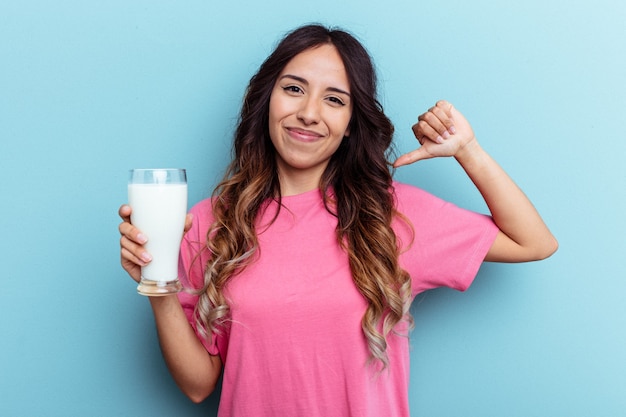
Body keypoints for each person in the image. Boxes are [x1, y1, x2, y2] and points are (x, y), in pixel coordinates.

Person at [118, 24, 557, 416]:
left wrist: (468, 151)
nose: (309, 112)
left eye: (333, 99)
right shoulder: (210, 222)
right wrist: (158, 287)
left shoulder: (392, 215)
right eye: (293, 89)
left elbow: (533, 243)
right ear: (266, 100)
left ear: (350, 123)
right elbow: (198, 386)